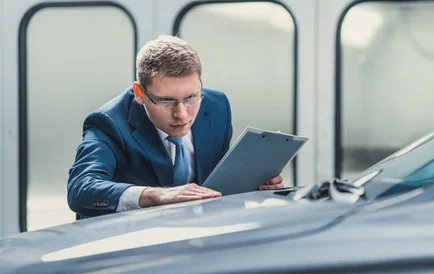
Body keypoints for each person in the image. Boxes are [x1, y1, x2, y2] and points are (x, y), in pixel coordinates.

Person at [67, 35, 283, 218]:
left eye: (191, 97)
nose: (181, 113)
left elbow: (216, 182)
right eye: (166, 101)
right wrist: (153, 195)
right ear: (139, 93)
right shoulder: (110, 122)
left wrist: (254, 184)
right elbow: (80, 188)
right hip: (132, 243)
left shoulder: (216, 107)